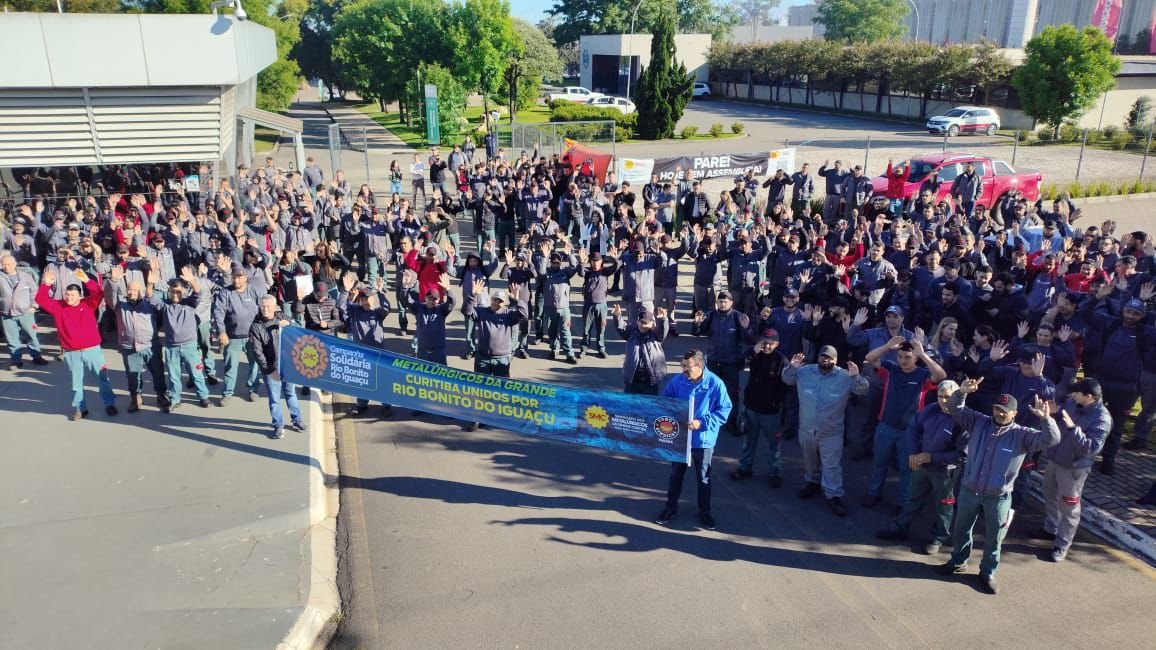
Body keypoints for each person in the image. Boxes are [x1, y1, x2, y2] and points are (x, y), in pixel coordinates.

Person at [937, 379, 1060, 595]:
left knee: (995, 538)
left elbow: (1052, 439)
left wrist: (1046, 419)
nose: (999, 413)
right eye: (997, 408)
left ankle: (987, 573)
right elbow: (955, 409)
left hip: (999, 498)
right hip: (969, 490)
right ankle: (958, 561)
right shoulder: (979, 422)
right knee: (962, 530)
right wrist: (962, 392)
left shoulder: (1023, 435)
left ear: (1014, 414)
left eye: (1005, 411)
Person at [876, 381, 967, 555]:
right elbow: (913, 429)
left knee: (944, 505)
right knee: (912, 498)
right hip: (921, 464)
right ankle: (899, 528)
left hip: (945, 471)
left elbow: (962, 454)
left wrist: (931, 457)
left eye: (948, 397)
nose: (943, 400)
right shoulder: (931, 409)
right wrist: (913, 452)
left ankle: (938, 537)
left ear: (957, 395)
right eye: (941, 396)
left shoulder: (963, 418)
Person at [782, 345, 869, 516]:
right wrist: (792, 366)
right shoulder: (805, 371)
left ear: (836, 360)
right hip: (807, 429)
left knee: (831, 465)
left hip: (831, 431)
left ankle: (833, 495)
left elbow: (863, 390)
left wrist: (856, 377)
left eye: (830, 358)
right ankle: (812, 483)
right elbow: (787, 379)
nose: (826, 360)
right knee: (809, 460)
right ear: (818, 358)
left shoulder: (845, 376)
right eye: (823, 357)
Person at [1031, 378, 1111, 562]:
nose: (1072, 395)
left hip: (1074, 469)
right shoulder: (1073, 403)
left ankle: (1062, 544)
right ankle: (1050, 529)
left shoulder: (1102, 419)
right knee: (1049, 494)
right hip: (1055, 460)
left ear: (1089, 397)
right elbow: (1059, 412)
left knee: (1069, 508)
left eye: (1077, 392)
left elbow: (1091, 448)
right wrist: (1053, 414)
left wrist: (1073, 428)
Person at [862, 337, 947, 508]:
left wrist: (923, 355)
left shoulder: (923, 376)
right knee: (880, 463)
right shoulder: (891, 369)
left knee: (906, 470)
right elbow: (870, 358)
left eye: (907, 357)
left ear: (915, 358)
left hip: (910, 432)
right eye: (900, 356)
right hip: (885, 425)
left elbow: (941, 375)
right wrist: (887, 346)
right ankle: (874, 493)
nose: (902, 360)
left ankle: (902, 502)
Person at [656, 349, 733, 530]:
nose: (683, 369)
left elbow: (724, 410)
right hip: (681, 438)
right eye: (682, 365)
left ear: (699, 366)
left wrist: (702, 423)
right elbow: (665, 401)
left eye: (687, 367)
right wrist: (674, 416)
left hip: (703, 440)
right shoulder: (679, 380)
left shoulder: (715, 384)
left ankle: (705, 512)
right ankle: (670, 508)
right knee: (675, 475)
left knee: (703, 477)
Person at [35, 266, 117, 419]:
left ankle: (109, 403)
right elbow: (40, 299)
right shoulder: (58, 306)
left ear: (80, 296)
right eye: (67, 294)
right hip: (72, 353)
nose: (69, 297)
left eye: (73, 295)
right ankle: (80, 408)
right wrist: (45, 284)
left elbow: (99, 293)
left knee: (102, 379)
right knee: (76, 384)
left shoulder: (88, 304)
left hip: (92, 350)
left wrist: (86, 280)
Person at [462, 278, 527, 431]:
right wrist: (472, 295)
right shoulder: (482, 311)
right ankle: (477, 418)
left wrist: (518, 300)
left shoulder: (509, 315)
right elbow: (466, 311)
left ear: (504, 303)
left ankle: (500, 418)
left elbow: (523, 315)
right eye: (494, 300)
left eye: (499, 301)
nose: (495, 303)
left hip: (502, 359)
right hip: (483, 358)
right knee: (480, 390)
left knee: (501, 391)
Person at [730, 329, 789, 487]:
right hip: (751, 407)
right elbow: (738, 365)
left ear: (777, 344)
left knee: (773, 444)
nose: (767, 346)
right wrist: (752, 352)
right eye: (764, 342)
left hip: (771, 411)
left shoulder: (781, 360)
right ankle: (745, 468)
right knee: (749, 440)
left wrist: (777, 403)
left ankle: (774, 472)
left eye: (770, 343)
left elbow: (787, 385)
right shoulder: (755, 354)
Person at [157, 267, 212, 412]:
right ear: (169, 292)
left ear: (184, 292)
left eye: (178, 291)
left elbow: (198, 292)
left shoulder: (189, 303)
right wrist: (150, 284)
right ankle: (175, 399)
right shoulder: (165, 305)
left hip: (189, 346)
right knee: (174, 376)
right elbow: (150, 298)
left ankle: (203, 396)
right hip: (171, 347)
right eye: (172, 291)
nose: (175, 294)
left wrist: (192, 281)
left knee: (196, 374)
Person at [249, 295, 304, 440]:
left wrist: (290, 325)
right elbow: (257, 352)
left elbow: (299, 333)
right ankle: (278, 425)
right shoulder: (256, 326)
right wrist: (269, 370)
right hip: (271, 370)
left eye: (268, 306)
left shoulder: (283, 318)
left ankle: (296, 419)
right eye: (262, 306)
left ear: (274, 307)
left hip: (287, 367)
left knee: (291, 394)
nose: (265, 309)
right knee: (274, 400)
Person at [212, 265, 263, 405]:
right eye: (234, 277)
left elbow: (263, 310)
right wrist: (221, 331)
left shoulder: (254, 291)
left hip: (252, 337)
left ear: (245, 278)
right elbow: (218, 312)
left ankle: (253, 389)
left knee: (255, 364)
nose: (236, 280)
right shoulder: (225, 292)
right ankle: (227, 393)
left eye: (239, 277)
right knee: (230, 366)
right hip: (232, 337)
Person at [0, 252, 48, 368]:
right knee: (12, 339)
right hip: (6, 314)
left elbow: (34, 292)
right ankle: (16, 361)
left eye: (9, 264)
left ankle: (36, 356)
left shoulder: (25, 276)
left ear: (15, 263)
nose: (7, 266)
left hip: (25, 312)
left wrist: (34, 306)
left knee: (31, 335)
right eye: (4, 264)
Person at [614, 305, 668, 394]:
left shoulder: (655, 335)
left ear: (652, 324)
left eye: (646, 323)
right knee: (630, 403)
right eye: (641, 322)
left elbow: (663, 331)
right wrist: (617, 316)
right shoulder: (631, 332)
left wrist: (663, 319)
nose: (643, 325)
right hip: (633, 378)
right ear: (638, 321)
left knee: (650, 403)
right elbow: (621, 327)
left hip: (650, 379)